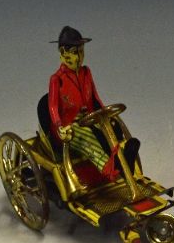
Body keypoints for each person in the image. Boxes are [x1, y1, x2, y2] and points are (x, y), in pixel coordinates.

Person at [47, 26, 138, 181]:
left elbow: (95, 97)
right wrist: (59, 126)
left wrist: (106, 114)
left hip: (90, 116)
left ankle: (122, 159)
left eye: (81, 51)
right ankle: (110, 170)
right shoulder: (57, 79)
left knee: (111, 128)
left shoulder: (86, 72)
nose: (80, 56)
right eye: (75, 52)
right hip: (69, 125)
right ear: (63, 53)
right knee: (88, 138)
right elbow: (53, 107)